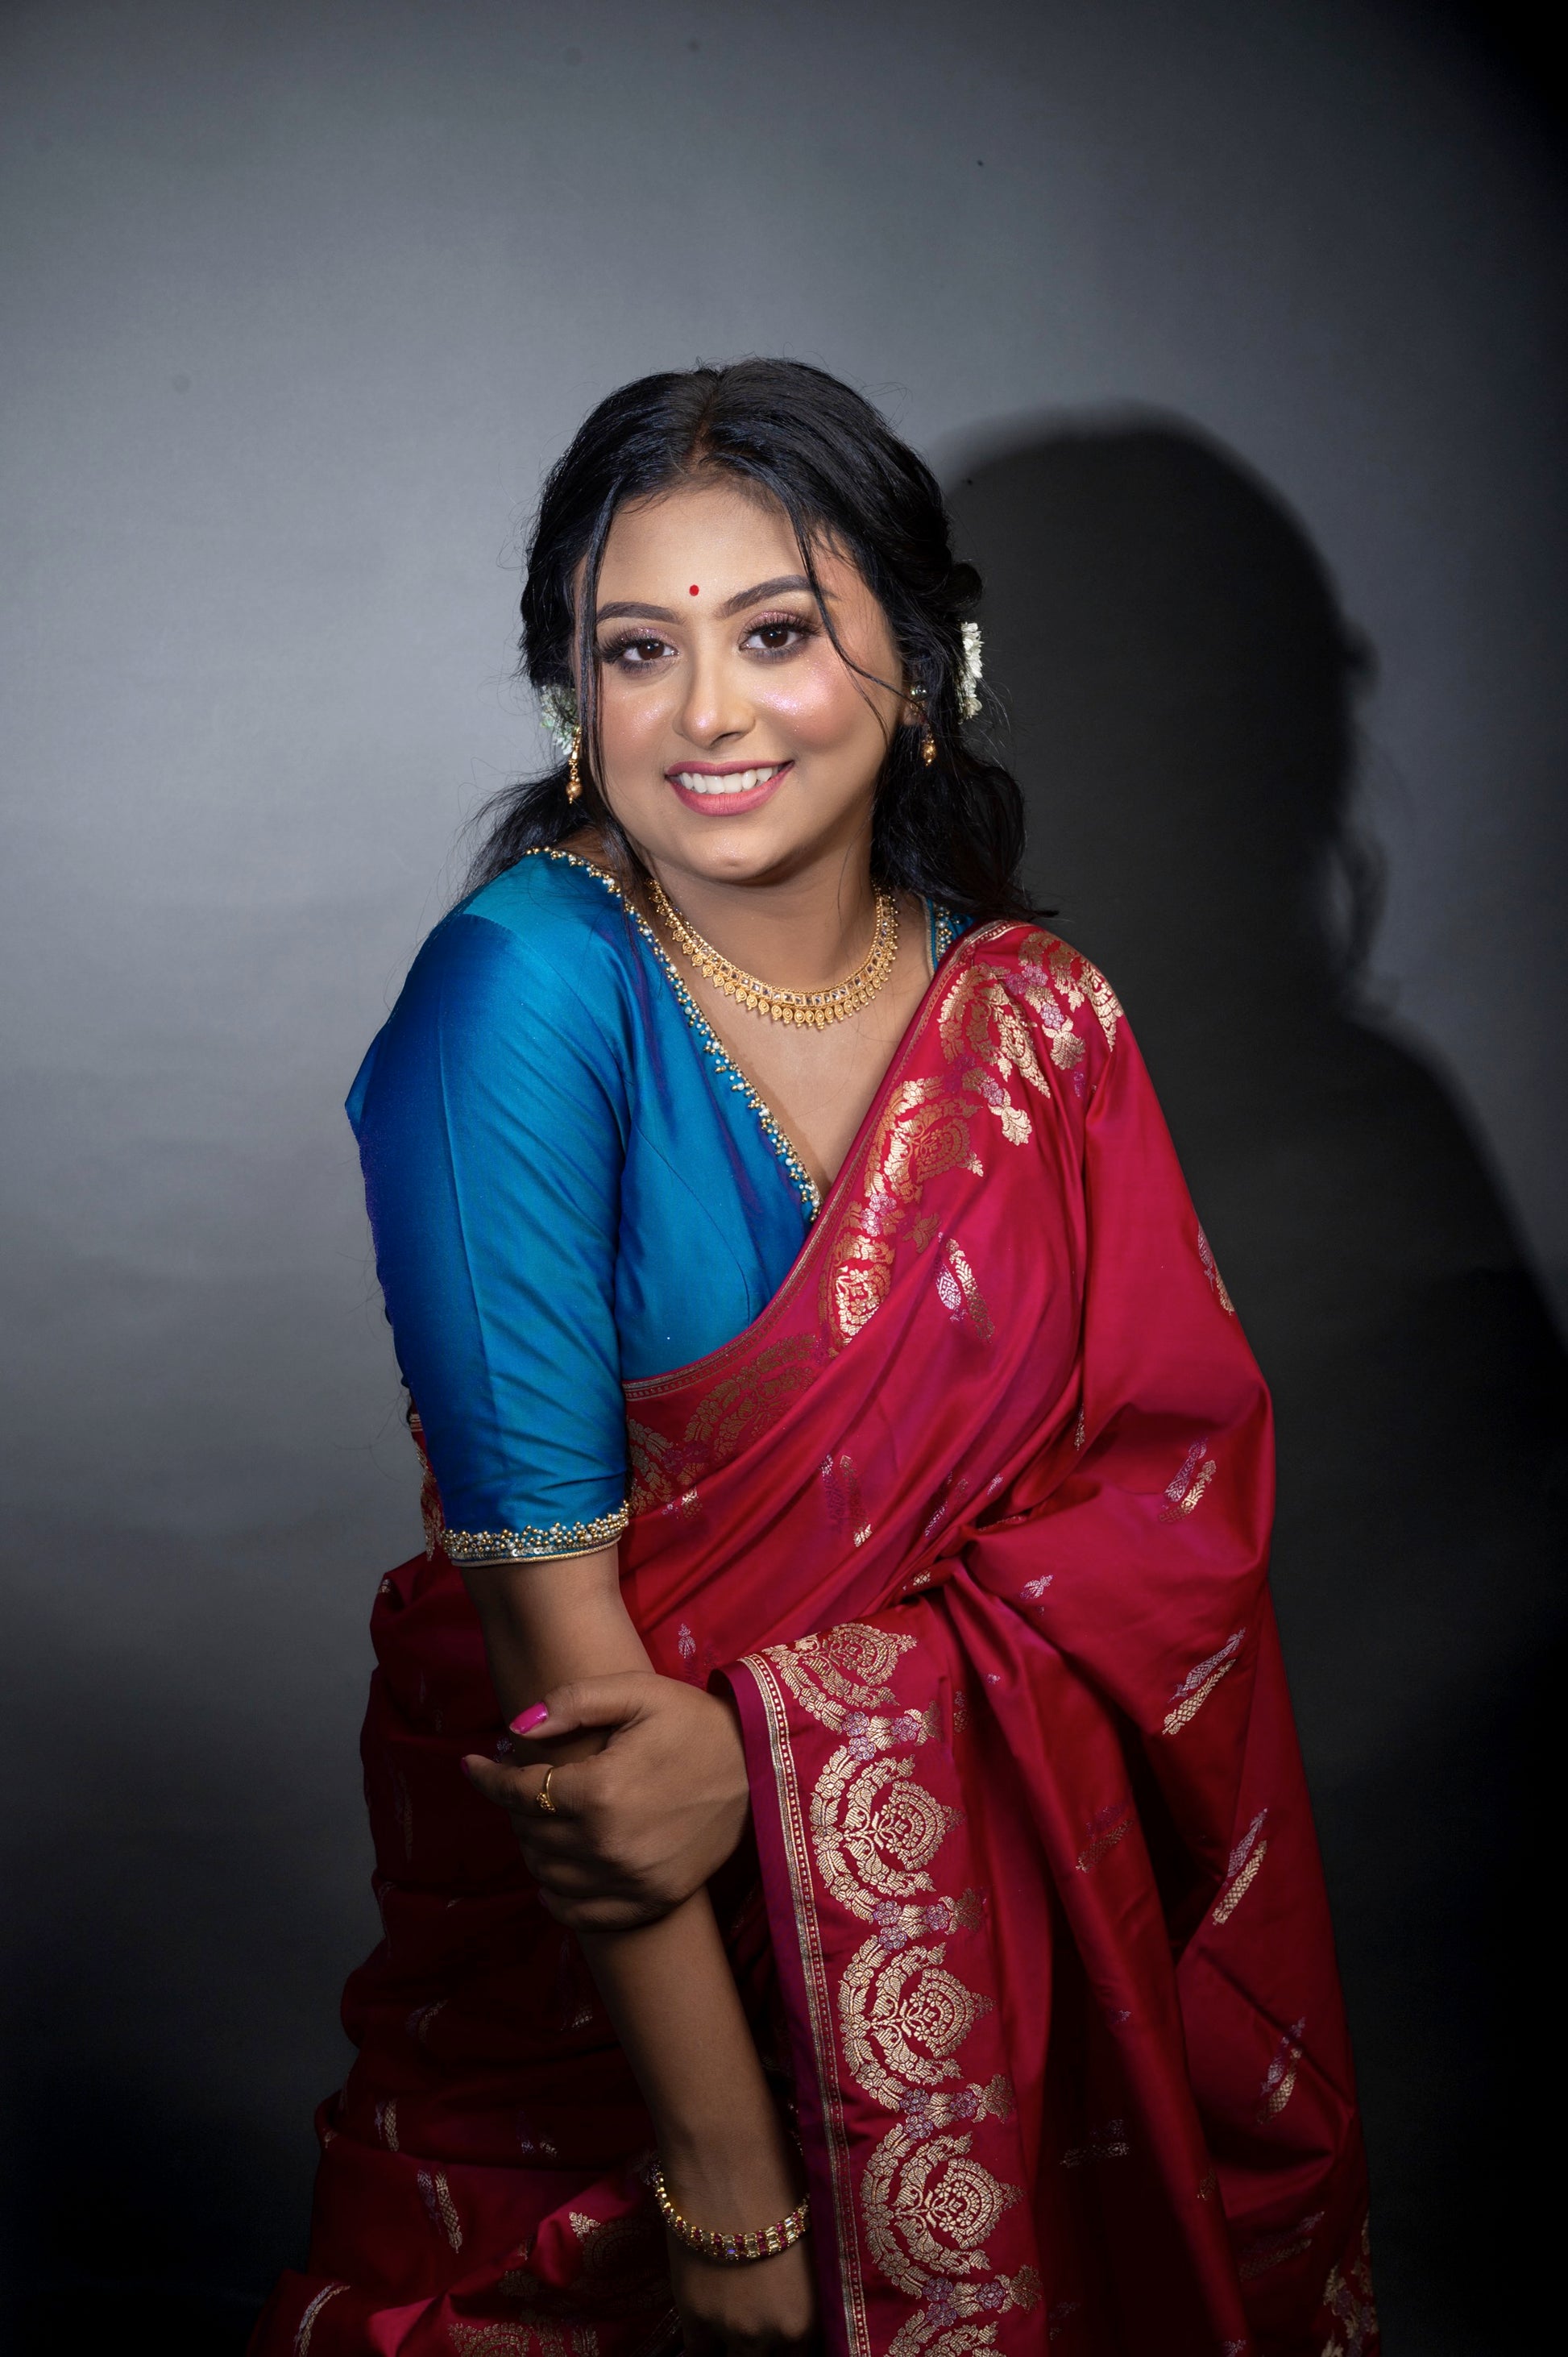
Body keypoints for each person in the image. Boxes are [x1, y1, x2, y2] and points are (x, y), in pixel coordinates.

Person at [251, 360, 1375, 2357]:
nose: (706, 712)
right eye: (633, 649)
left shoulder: (1034, 1025)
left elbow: (1161, 1543)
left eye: (777, 632)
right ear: (567, 704)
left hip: (1014, 2007)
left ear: (923, 660)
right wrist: (734, 2185)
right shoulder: (523, 991)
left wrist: (763, 1742)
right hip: (599, 2034)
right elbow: (563, 1690)